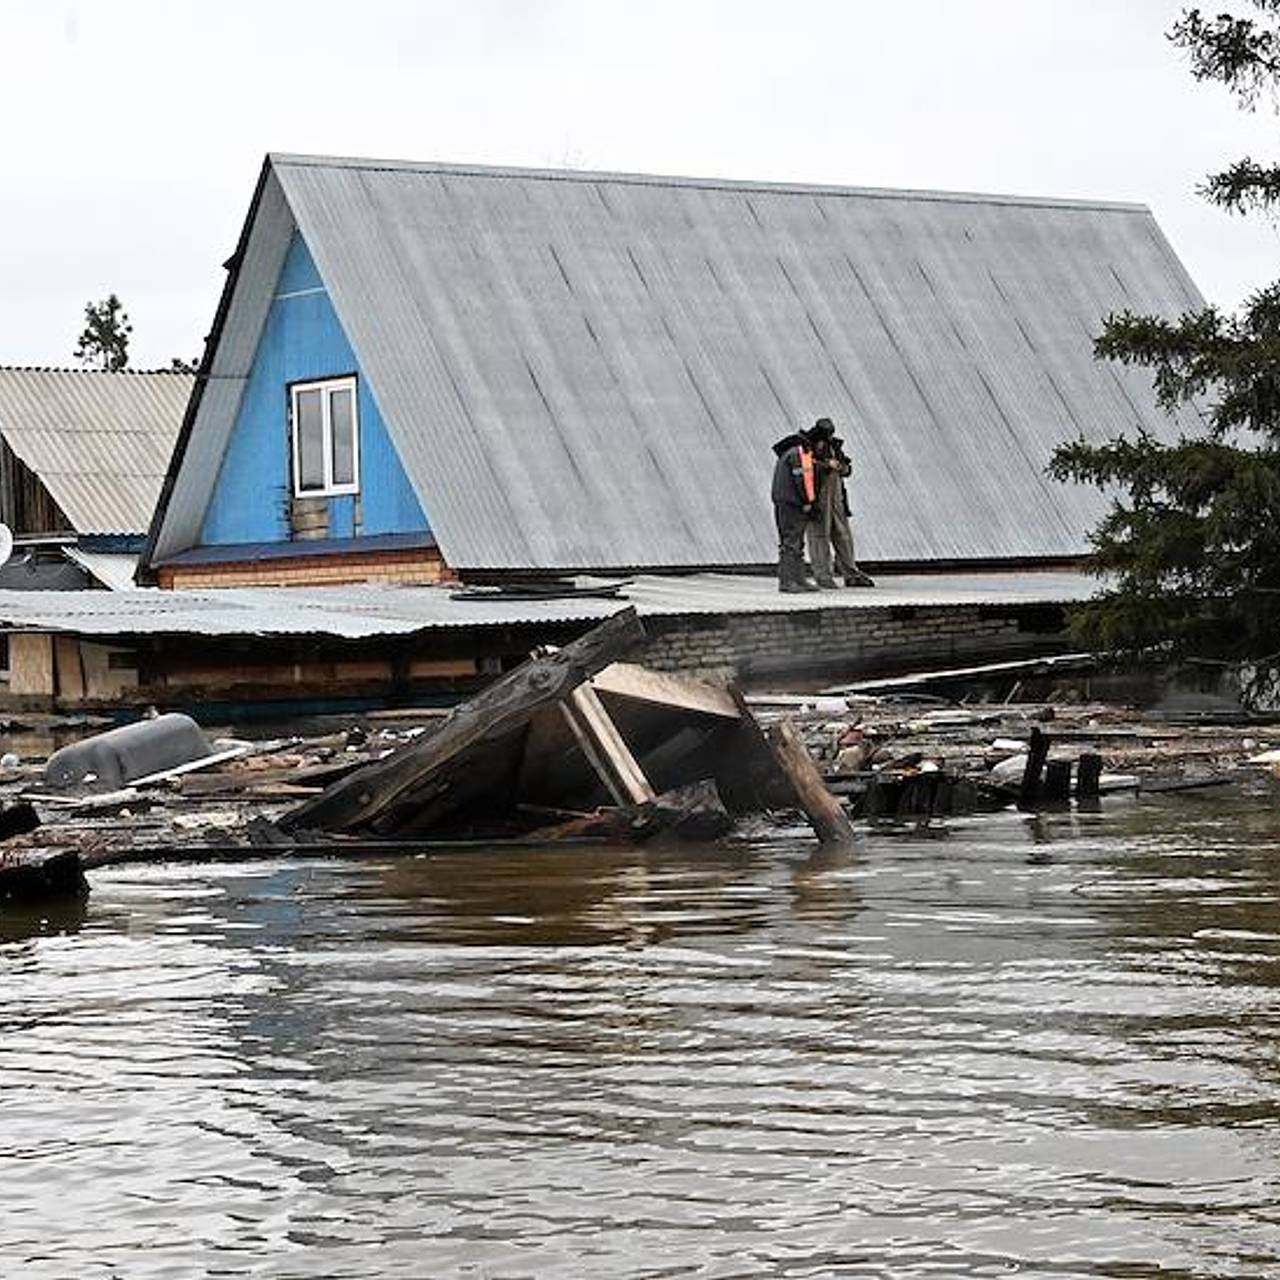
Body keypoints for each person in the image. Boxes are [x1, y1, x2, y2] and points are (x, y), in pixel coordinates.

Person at [805, 418, 875, 588]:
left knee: (843, 535)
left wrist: (841, 467)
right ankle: (822, 575)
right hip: (818, 497)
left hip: (837, 497)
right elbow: (804, 467)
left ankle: (850, 573)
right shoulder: (807, 446)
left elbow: (847, 468)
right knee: (819, 535)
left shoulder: (834, 446)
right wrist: (825, 464)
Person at [771, 429, 819, 592]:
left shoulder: (788, 453)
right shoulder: (799, 454)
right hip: (792, 503)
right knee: (791, 542)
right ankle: (787, 582)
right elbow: (803, 480)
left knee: (796, 541)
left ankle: (799, 579)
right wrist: (808, 501)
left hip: (785, 502)